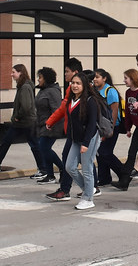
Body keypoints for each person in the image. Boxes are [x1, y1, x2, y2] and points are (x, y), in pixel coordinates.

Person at [0, 64, 40, 174]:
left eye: (14, 72)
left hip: (26, 122)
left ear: (20, 73)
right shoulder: (23, 86)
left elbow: (26, 106)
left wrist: (17, 116)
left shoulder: (25, 87)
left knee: (34, 145)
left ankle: (43, 168)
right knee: (7, 141)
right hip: (22, 122)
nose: (11, 74)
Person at [44, 57, 85, 202]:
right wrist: (51, 121)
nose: (65, 74)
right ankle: (86, 188)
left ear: (76, 72)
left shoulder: (82, 90)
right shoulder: (71, 89)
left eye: (67, 72)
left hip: (80, 133)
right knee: (77, 161)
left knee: (72, 160)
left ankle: (66, 190)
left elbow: (63, 108)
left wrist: (50, 121)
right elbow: (64, 108)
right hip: (73, 132)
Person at [62, 70, 101, 210]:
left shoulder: (90, 101)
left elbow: (92, 124)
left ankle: (88, 198)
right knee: (69, 167)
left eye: (78, 83)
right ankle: (88, 189)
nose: (75, 86)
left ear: (84, 85)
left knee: (87, 168)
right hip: (75, 139)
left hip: (89, 139)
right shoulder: (71, 100)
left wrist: (85, 143)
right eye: (73, 83)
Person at [92, 69, 125, 187]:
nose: (95, 79)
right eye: (94, 77)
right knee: (99, 153)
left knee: (105, 152)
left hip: (111, 127)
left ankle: (124, 173)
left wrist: (110, 129)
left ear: (104, 78)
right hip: (99, 126)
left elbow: (114, 111)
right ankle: (104, 178)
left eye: (97, 77)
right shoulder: (94, 91)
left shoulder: (110, 91)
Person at [33, 67, 65, 184]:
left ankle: (62, 168)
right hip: (42, 124)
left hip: (52, 125)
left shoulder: (53, 91)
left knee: (44, 148)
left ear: (46, 78)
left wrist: (51, 123)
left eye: (40, 77)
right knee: (44, 149)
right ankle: (50, 175)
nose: (38, 80)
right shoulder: (43, 90)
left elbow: (57, 110)